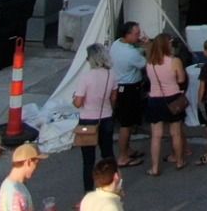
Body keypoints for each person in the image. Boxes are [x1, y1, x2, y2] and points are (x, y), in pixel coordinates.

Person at [70, 44, 118, 197]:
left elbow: (78, 103)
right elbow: (114, 98)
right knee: (108, 155)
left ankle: (88, 192)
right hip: (106, 116)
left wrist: (74, 99)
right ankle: (112, 186)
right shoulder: (111, 74)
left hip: (88, 120)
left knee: (88, 160)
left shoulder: (86, 77)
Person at [143, 35, 190, 174]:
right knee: (175, 133)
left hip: (155, 99)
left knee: (156, 135)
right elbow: (181, 79)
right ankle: (179, 161)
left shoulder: (150, 62)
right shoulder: (175, 61)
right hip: (173, 98)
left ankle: (155, 167)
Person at [108, 22, 147, 168]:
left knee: (127, 122)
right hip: (129, 89)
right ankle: (123, 156)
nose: (139, 36)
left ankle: (127, 149)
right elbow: (146, 64)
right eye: (136, 34)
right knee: (126, 124)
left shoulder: (117, 44)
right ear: (128, 34)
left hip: (120, 86)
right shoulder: (131, 54)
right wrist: (148, 46)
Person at [0, 142, 42, 211]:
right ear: (28, 162)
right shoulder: (15, 193)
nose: (37, 168)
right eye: (36, 163)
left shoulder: (9, 184)